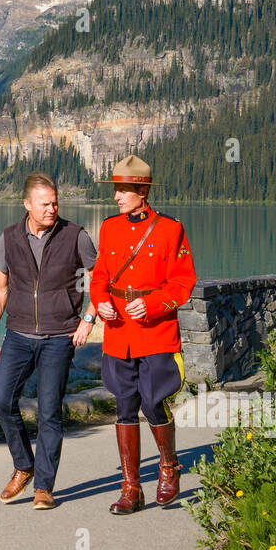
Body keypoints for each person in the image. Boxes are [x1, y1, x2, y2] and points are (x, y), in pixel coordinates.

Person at [87, 155, 197, 514]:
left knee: (152, 402)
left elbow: (183, 281)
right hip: (119, 332)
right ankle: (131, 488)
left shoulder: (170, 229)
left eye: (122, 190)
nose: (117, 196)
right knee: (124, 406)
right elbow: (101, 275)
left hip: (155, 332)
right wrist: (101, 303)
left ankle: (169, 467)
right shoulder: (109, 228)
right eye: (116, 189)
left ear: (141, 190)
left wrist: (152, 305)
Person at [0, 172, 97, 510]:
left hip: (58, 337)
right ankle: (24, 466)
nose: (52, 208)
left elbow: (103, 278)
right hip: (17, 334)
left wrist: (88, 320)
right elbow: (0, 287)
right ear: (27, 205)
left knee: (49, 412)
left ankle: (44, 487)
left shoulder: (75, 236)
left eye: (55, 202)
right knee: (1, 401)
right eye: (45, 203)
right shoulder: (8, 237)